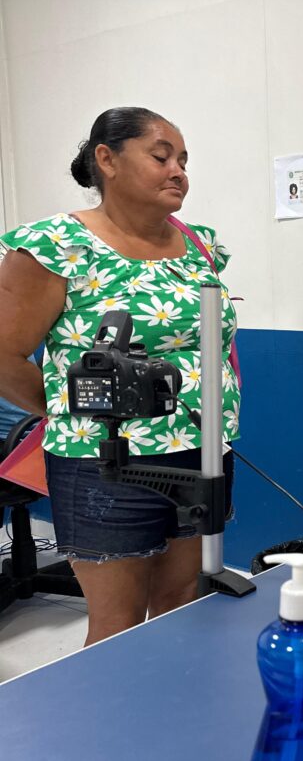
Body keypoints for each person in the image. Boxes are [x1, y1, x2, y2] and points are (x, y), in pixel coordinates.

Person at [0, 107, 241, 645]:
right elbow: (4, 356)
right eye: (161, 157)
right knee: (118, 629)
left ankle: (175, 721)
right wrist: (68, 412)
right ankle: (111, 729)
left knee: (184, 605)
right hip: (105, 464)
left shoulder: (200, 244)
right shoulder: (56, 246)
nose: (178, 170)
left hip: (202, 450)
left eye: (183, 160)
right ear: (106, 159)